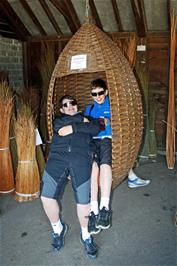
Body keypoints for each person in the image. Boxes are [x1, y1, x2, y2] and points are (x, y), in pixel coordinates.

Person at [85, 78, 150, 235]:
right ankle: (93, 210)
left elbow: (122, 122)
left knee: (105, 165)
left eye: (101, 93)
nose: (98, 96)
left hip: (107, 140)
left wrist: (109, 122)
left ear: (106, 92)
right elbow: (86, 125)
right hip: (92, 141)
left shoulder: (113, 105)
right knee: (93, 169)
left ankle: (104, 207)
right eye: (94, 94)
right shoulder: (89, 108)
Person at [40, 95, 101, 258]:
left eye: (72, 103)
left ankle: (86, 235)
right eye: (65, 105)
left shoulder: (89, 119)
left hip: (81, 159)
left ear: (77, 105)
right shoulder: (58, 121)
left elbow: (96, 128)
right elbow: (61, 130)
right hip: (57, 159)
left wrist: (76, 126)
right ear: (61, 110)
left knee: (83, 201)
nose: (70, 106)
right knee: (46, 197)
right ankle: (58, 228)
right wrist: (81, 125)